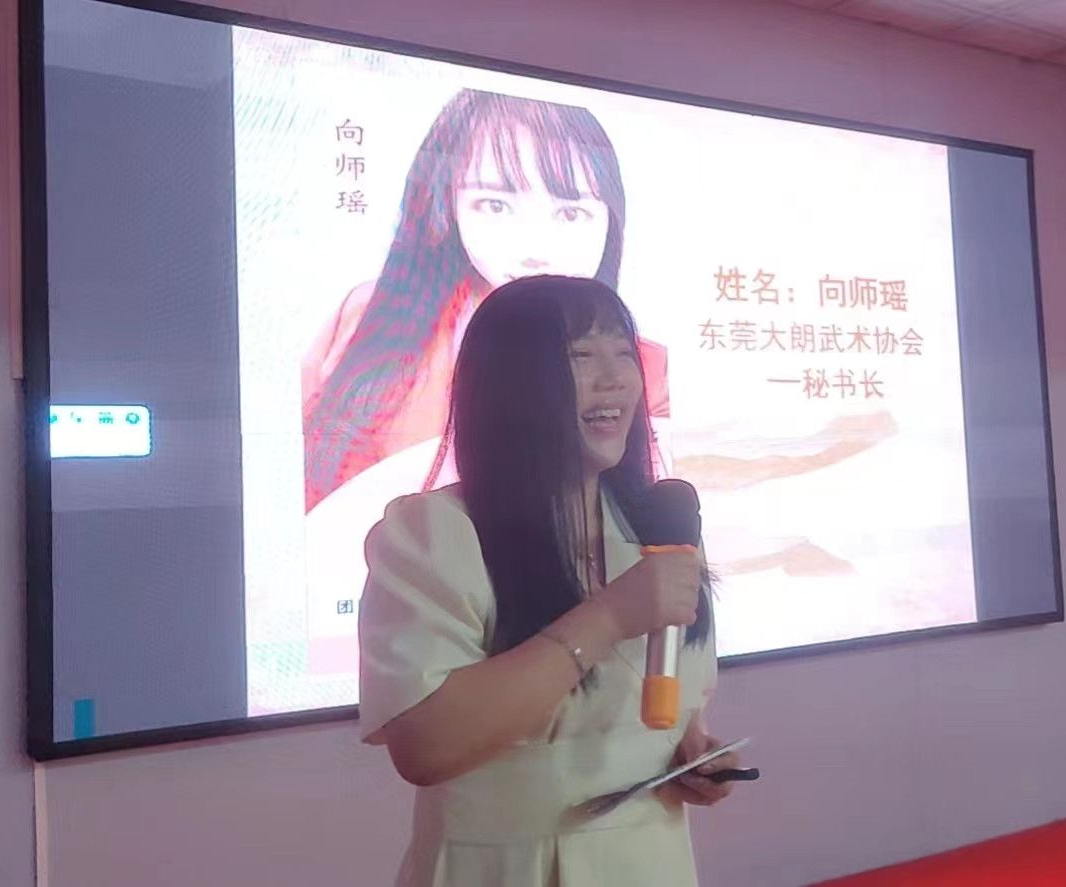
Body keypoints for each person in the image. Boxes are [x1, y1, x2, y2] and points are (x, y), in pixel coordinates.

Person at [357, 276, 740, 887]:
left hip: (651, 863)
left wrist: (686, 751)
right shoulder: (436, 532)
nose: (615, 378)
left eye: (623, 353)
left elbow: (660, 704)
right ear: (511, 384)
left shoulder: (657, 526)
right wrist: (608, 618)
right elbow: (424, 746)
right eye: (581, 356)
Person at [303, 90, 672, 512]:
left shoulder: (647, 369)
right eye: (495, 205)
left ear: (611, 219)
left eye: (570, 213)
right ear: (448, 206)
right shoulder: (367, 319)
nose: (534, 247)